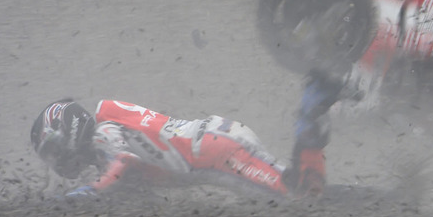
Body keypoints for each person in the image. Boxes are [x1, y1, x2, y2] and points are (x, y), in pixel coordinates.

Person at [30, 72, 343, 198]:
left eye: (54, 151)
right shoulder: (109, 127)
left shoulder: (103, 132)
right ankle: (316, 111)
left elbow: (122, 161)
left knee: (297, 198)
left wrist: (91, 192)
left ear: (67, 129)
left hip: (217, 155)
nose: (57, 161)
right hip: (216, 143)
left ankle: (312, 104)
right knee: (307, 191)